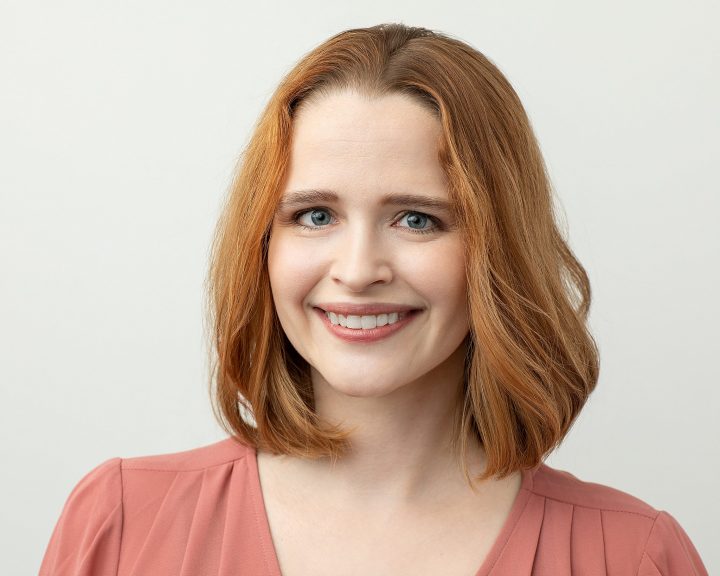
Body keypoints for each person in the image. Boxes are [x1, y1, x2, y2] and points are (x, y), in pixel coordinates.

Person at [39, 23, 707, 576]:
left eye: (416, 218)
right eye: (314, 215)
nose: (357, 271)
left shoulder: (633, 557)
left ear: (497, 250)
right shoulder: (121, 525)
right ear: (263, 242)